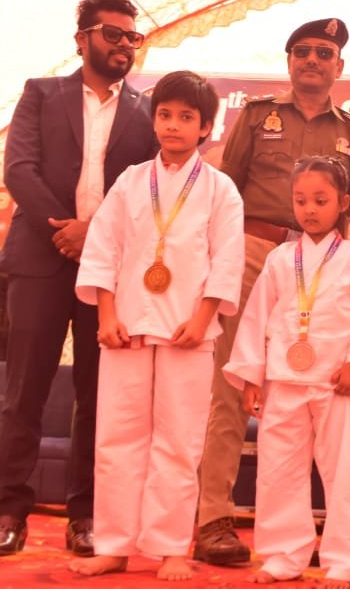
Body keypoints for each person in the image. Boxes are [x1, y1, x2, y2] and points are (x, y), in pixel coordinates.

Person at [194, 18, 350, 565]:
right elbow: (223, 190)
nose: (313, 59)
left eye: (324, 52)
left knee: (320, 393)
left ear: (340, 66)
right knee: (231, 384)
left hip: (323, 267)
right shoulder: (256, 115)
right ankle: (213, 518)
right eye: (303, 51)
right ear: (289, 60)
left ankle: (319, 539)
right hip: (254, 253)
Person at [68, 71, 244, 581]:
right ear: (154, 120)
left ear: (206, 127)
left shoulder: (220, 190)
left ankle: (170, 548)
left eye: (186, 117)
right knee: (116, 438)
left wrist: (203, 319)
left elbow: (226, 260)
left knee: (179, 441)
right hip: (125, 326)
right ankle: (114, 545)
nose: (173, 125)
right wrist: (106, 315)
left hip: (188, 331)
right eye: (165, 114)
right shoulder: (130, 181)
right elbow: (104, 249)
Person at [0, 0, 156, 557]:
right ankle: (8, 510)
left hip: (108, 271)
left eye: (132, 38)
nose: (124, 45)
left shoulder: (146, 111)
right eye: (113, 34)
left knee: (97, 395)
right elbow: (19, 170)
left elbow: (146, 187)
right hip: (39, 261)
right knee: (24, 391)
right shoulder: (41, 94)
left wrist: (93, 234)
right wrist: (64, 231)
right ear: (82, 39)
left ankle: (85, 514)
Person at [223, 156, 350, 587]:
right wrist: (251, 376)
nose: (310, 209)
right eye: (301, 201)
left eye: (321, 200)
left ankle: (347, 562)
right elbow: (257, 318)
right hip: (284, 380)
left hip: (340, 383)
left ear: (344, 203)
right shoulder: (281, 259)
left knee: (345, 472)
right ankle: (284, 555)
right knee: (278, 470)